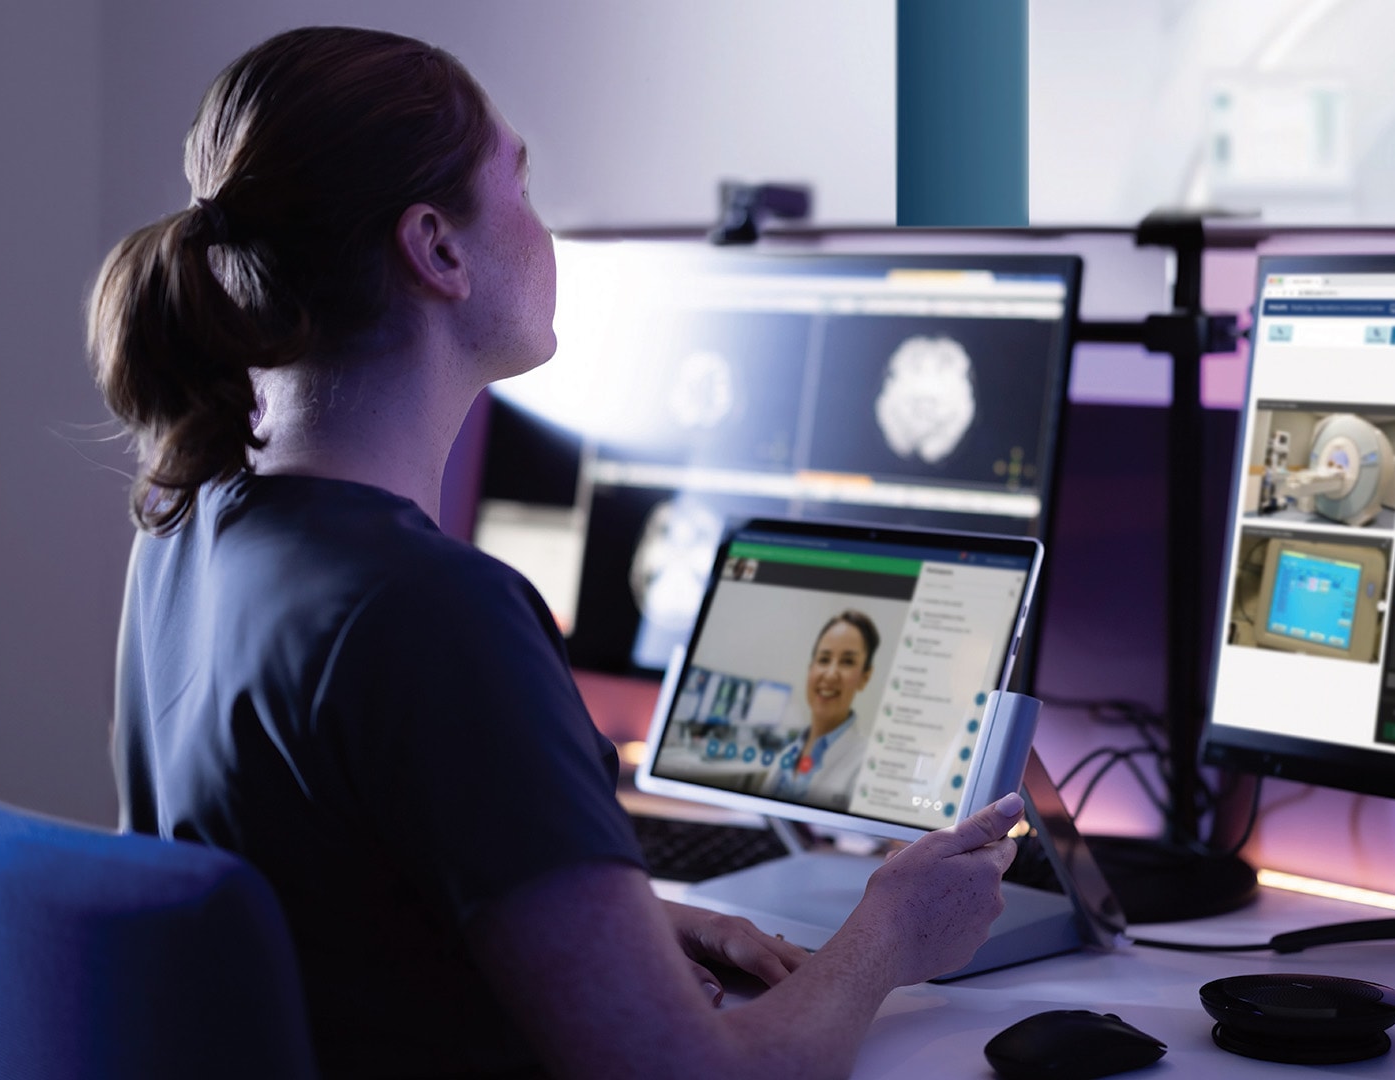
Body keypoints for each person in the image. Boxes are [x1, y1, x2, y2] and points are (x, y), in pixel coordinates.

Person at [89, 25, 1022, 1080]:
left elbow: (328, 912)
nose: (543, 232)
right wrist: (890, 933)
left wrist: (616, 925)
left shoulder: (191, 523)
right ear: (437, 249)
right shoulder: (433, 612)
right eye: (520, 188)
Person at [764, 611, 880, 812]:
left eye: (847, 661)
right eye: (824, 659)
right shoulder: (788, 753)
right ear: (811, 668)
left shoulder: (870, 766)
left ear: (865, 677)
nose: (830, 673)